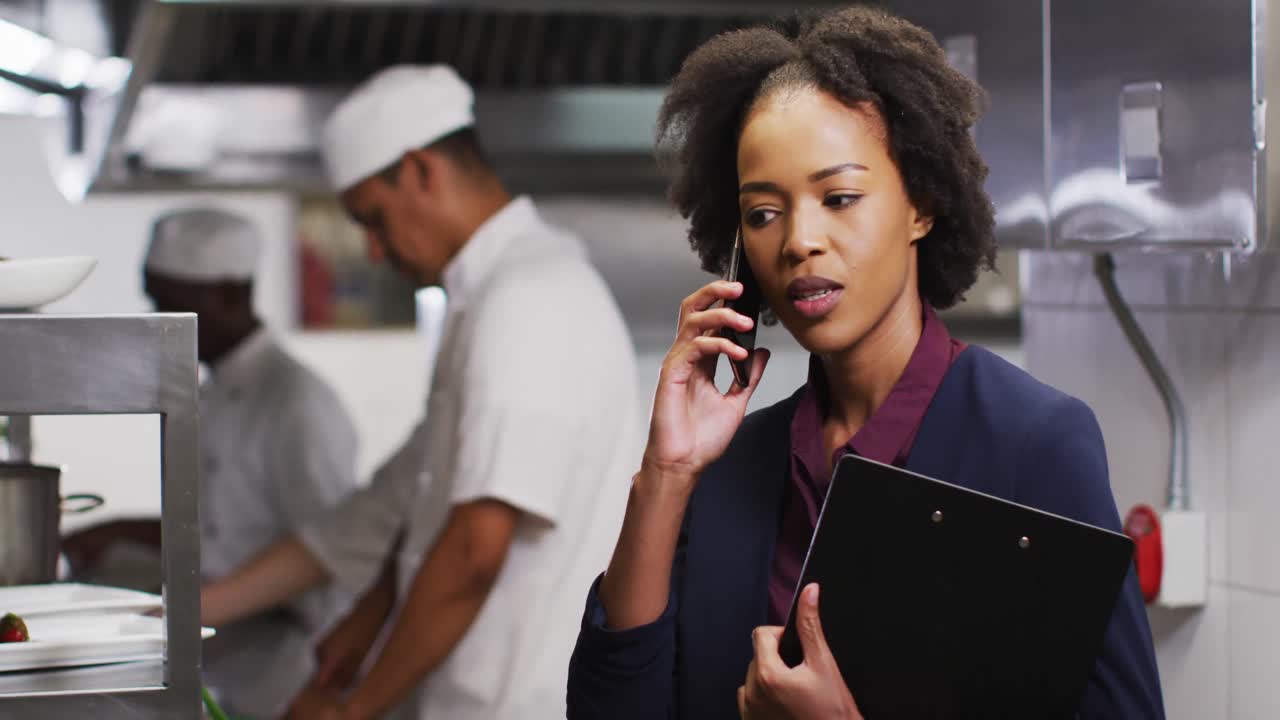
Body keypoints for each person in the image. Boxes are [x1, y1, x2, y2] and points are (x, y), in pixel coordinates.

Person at [565, 7, 1165, 720]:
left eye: (840, 198)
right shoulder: (727, 470)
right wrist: (665, 475)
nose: (799, 241)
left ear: (923, 204)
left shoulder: (1034, 441)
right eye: (763, 213)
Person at [201, 64, 639, 720]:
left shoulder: (531, 298)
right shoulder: (485, 300)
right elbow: (414, 508)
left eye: (372, 220)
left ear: (420, 171)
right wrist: (367, 623)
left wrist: (355, 713)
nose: (373, 252)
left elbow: (473, 550)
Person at [63, 208, 360, 718]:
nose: (158, 319)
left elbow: (326, 552)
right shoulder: (212, 389)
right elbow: (222, 526)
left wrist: (178, 614)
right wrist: (117, 531)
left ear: (228, 295)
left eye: (170, 303)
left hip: (287, 669)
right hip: (225, 650)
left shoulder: (298, 402)